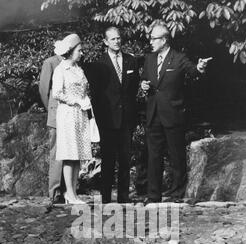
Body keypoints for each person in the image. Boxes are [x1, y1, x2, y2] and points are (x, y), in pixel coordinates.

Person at [141, 22, 211, 204]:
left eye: (154, 38)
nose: (151, 41)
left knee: (176, 156)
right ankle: (153, 196)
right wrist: (143, 85)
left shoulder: (178, 58)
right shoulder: (149, 58)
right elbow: (145, 79)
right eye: (150, 38)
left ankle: (177, 195)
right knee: (153, 157)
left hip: (173, 114)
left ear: (164, 40)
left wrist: (200, 68)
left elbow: (193, 71)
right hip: (153, 114)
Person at [89, 27, 140, 203]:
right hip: (108, 120)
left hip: (126, 118)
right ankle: (105, 198)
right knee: (108, 160)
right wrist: (100, 119)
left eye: (119, 38)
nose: (117, 42)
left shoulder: (131, 61)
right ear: (105, 42)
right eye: (112, 39)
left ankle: (124, 198)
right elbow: (96, 95)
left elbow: (133, 89)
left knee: (125, 159)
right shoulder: (99, 65)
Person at [52, 34, 93, 204]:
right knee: (69, 154)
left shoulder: (78, 68)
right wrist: (76, 100)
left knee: (77, 154)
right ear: (70, 51)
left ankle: (73, 193)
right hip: (68, 114)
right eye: (79, 50)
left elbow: (84, 89)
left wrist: (85, 101)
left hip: (80, 114)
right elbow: (57, 93)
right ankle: (69, 193)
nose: (81, 53)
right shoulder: (61, 69)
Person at [39, 45, 64, 204]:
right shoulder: (50, 62)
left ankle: (67, 190)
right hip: (56, 113)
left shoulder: (71, 63)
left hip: (68, 115)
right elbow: (43, 89)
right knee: (56, 153)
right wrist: (51, 109)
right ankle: (54, 192)